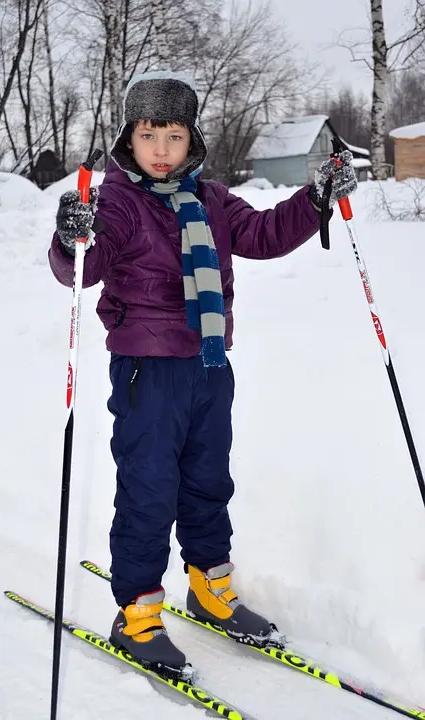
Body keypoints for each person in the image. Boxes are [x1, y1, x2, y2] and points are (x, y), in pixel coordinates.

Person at [49, 70, 357, 674]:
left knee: (208, 482)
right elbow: (80, 268)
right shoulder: (116, 202)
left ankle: (209, 585)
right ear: (128, 141)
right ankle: (136, 613)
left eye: (173, 135)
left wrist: (315, 197)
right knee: (150, 489)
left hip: (210, 367)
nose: (161, 149)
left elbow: (265, 234)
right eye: (148, 135)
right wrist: (71, 236)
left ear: (193, 140)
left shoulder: (213, 201)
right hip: (147, 373)